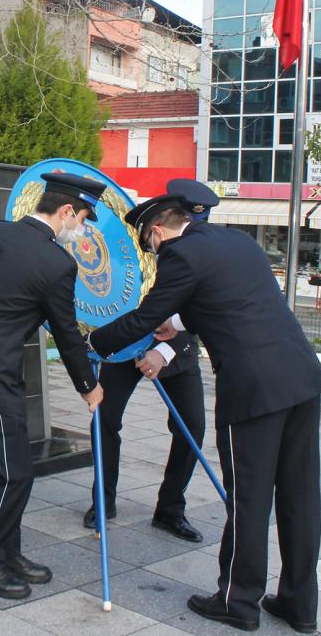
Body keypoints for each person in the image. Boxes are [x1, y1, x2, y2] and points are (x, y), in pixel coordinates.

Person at [89, 192, 321, 633]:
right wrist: (180, 323)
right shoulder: (236, 241)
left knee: (249, 499)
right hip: (300, 376)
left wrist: (92, 342)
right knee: (300, 497)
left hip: (253, 389)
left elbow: (144, 317)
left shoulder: (180, 255)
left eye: (150, 245)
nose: (154, 253)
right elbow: (232, 301)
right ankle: (300, 604)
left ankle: (238, 601)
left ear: (157, 231)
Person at [0, 172, 105, 600]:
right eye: (81, 219)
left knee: (13, 468)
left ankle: (8, 552)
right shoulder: (56, 264)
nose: (80, 230)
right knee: (9, 473)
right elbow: (65, 332)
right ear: (66, 212)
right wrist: (88, 386)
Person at [83, 179, 219, 542]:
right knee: (105, 420)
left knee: (191, 428)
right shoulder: (133, 243)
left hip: (175, 347)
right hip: (122, 343)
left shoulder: (197, 249)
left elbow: (201, 307)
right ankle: (103, 500)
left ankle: (170, 509)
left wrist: (163, 352)